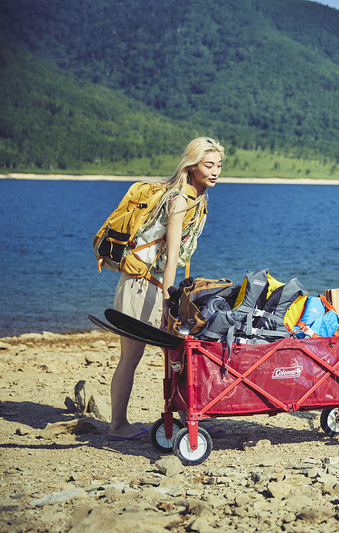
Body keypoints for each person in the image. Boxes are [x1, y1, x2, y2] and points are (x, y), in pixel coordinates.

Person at [108, 137, 224, 440]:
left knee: (180, 356)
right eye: (208, 165)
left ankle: (189, 419)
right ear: (191, 165)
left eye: (219, 165)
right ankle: (117, 425)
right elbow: (171, 257)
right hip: (142, 285)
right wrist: (167, 305)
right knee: (131, 357)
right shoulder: (179, 199)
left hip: (161, 286)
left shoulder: (199, 198)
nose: (215, 172)